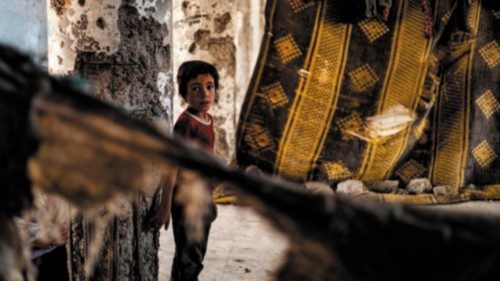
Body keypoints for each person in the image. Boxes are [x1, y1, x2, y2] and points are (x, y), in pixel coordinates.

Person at [146, 60, 219, 281]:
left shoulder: (207, 119)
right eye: (195, 88)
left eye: (210, 86)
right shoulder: (186, 124)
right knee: (189, 257)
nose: (204, 94)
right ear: (184, 93)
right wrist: (165, 206)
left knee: (194, 255)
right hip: (186, 200)